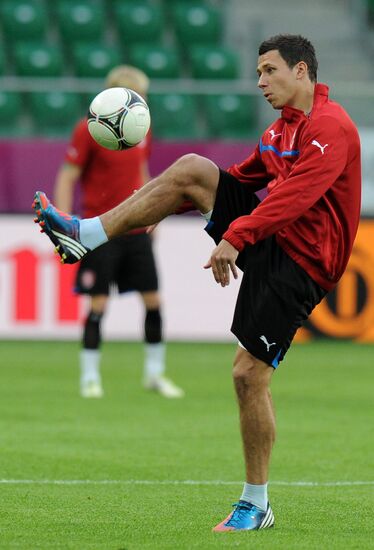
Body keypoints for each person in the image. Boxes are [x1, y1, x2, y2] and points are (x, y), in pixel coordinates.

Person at [33, 35, 361, 530]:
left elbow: (294, 197)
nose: (259, 81)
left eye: (269, 70)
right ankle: (86, 233)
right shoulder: (277, 133)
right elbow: (234, 179)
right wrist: (170, 201)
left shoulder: (330, 128)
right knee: (190, 169)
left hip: (303, 262)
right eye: (257, 72)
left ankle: (256, 504)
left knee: (248, 376)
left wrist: (234, 235)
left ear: (301, 71)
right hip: (273, 240)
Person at [52, 65, 184, 399]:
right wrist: (66, 222)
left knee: (153, 300)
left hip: (137, 227)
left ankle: (155, 374)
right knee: (98, 304)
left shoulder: (142, 128)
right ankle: (90, 377)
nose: (144, 100)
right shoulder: (88, 129)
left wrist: (152, 210)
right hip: (101, 227)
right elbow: (68, 175)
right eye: (139, 94)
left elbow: (142, 171)